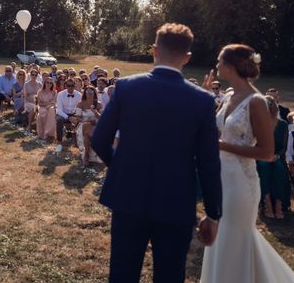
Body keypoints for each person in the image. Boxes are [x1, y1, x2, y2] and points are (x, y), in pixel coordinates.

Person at [92, 23, 222, 283]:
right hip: (176, 200)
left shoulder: (127, 87)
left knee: (122, 274)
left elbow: (99, 139)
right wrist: (213, 213)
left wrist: (120, 167)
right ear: (187, 58)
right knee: (170, 275)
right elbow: (209, 163)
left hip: (128, 195)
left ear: (154, 51)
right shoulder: (202, 100)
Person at [200, 44, 294, 282]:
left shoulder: (256, 102)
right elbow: (213, 128)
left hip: (241, 183)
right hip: (221, 177)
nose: (217, 65)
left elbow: (266, 151)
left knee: (236, 238)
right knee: (220, 236)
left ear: (232, 66)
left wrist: (221, 145)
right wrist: (204, 98)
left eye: (220, 61)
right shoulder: (229, 95)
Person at [256, 95, 291, 218]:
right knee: (264, 167)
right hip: (261, 156)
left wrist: (277, 155)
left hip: (277, 156)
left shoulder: (283, 125)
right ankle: (267, 203)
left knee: (279, 168)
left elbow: (284, 146)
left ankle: (279, 204)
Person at [76, 86, 101, 167]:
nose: (89, 94)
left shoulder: (99, 104)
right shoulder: (80, 103)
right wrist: (86, 121)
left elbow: (102, 118)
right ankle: (88, 154)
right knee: (87, 125)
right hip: (83, 125)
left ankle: (86, 155)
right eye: (87, 92)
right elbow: (78, 117)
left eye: (91, 92)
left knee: (87, 133)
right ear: (85, 94)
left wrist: (95, 112)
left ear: (94, 93)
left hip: (96, 126)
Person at [54, 79, 82, 153]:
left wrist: (76, 116)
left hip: (74, 113)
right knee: (59, 119)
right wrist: (68, 117)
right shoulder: (60, 94)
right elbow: (59, 110)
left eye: (72, 85)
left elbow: (79, 108)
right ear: (65, 86)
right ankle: (59, 142)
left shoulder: (79, 95)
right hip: (63, 113)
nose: (70, 87)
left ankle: (77, 141)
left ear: (74, 86)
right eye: (68, 85)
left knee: (81, 119)